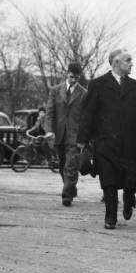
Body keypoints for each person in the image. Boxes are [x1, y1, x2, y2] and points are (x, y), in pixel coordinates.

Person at [77, 49, 136, 230]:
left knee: (131, 179)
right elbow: (88, 114)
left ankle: (129, 197)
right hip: (106, 142)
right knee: (108, 180)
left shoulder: (135, 85)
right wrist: (82, 141)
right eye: (128, 60)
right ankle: (110, 216)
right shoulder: (98, 84)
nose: (132, 63)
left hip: (131, 143)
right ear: (116, 63)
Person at [44, 63, 87, 207]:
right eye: (71, 77)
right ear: (66, 74)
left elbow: (86, 117)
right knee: (63, 165)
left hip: (75, 136)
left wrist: (84, 137)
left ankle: (67, 195)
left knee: (71, 165)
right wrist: (49, 130)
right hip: (59, 134)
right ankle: (71, 188)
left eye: (77, 77)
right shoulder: (55, 91)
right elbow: (50, 112)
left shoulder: (84, 94)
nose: (74, 80)